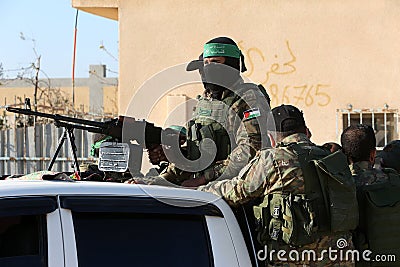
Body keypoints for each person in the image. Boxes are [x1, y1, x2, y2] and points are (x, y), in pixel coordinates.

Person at [198, 104, 355, 266]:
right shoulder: (333, 159)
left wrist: (198, 191)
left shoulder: (273, 160)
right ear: (306, 131)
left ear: (271, 137)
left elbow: (234, 192)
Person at [144, 36, 270, 187]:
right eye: (206, 63)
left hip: (235, 191)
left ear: (231, 65)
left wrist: (204, 178)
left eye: (216, 62)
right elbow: (195, 152)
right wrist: (163, 179)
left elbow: (251, 150)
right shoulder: (206, 101)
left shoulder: (249, 99)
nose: (208, 68)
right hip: (203, 189)